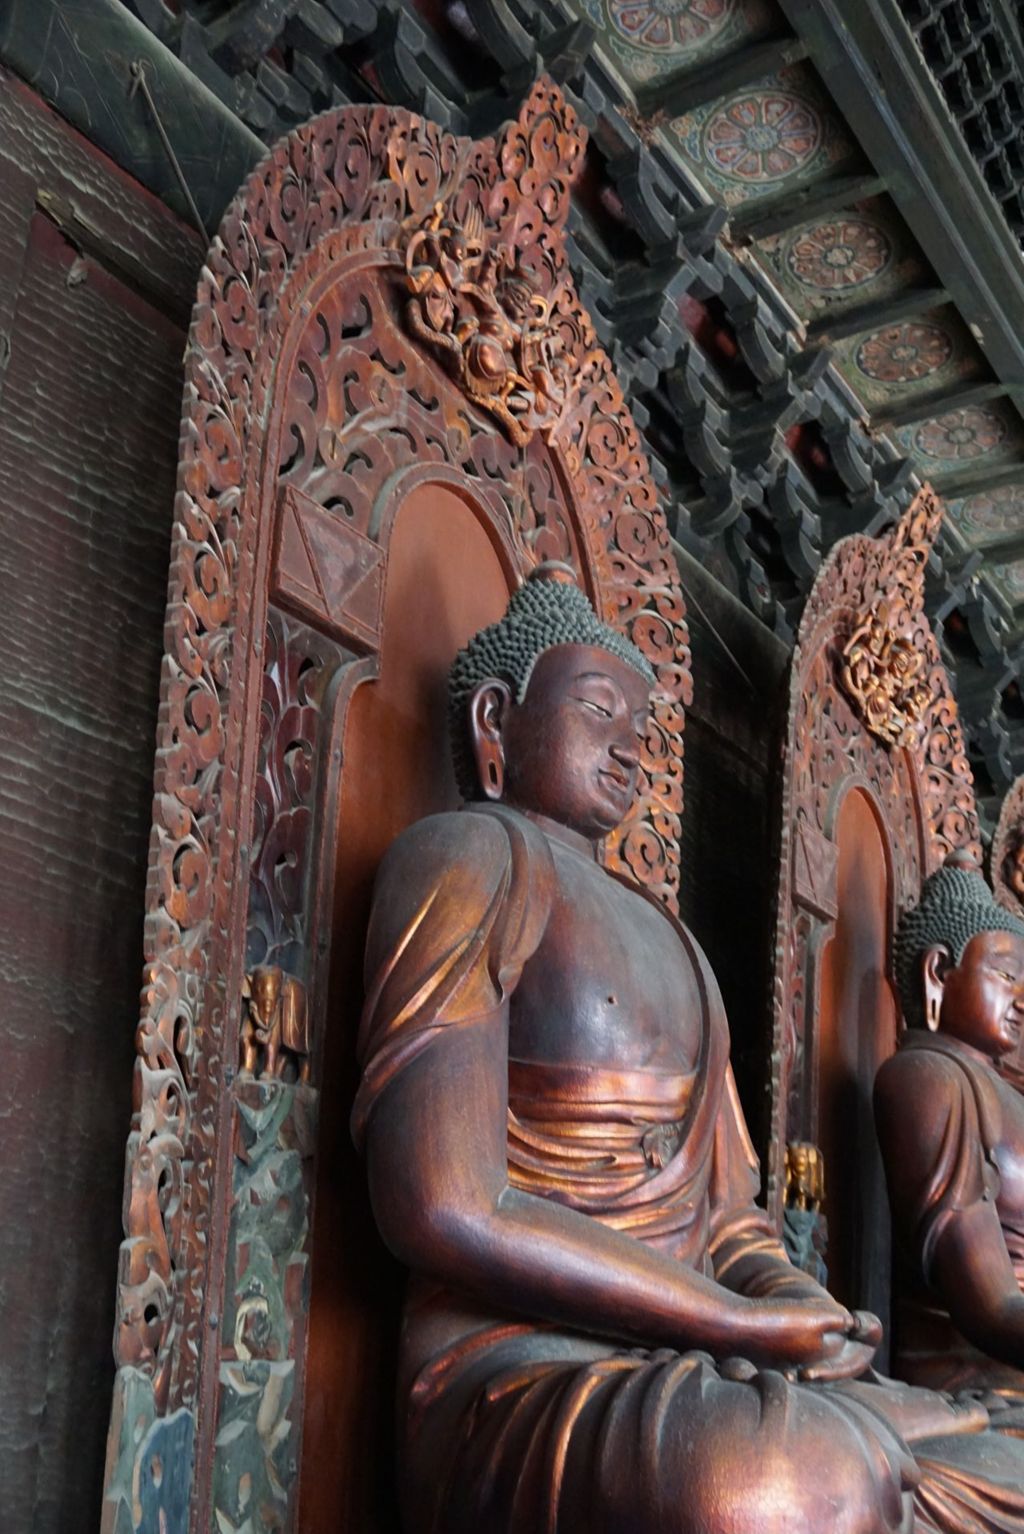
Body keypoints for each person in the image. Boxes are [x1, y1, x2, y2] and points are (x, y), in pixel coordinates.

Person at [353, 564, 1024, 1534]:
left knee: (992, 1458)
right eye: (597, 710)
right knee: (780, 1475)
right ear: (496, 720)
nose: (630, 745)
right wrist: (733, 1323)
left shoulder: (675, 943)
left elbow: (730, 1220)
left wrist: (798, 1306)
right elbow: (443, 1203)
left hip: (700, 1359)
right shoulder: (464, 859)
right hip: (521, 1360)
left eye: (640, 726)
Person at [875, 853, 1024, 1397]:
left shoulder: (1007, 1096)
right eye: (1007, 975)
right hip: (976, 1388)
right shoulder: (928, 1079)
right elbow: (990, 1306)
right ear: (938, 971)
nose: (1023, 1000)